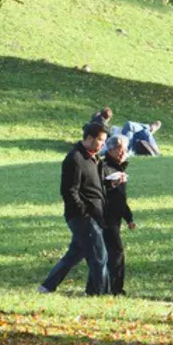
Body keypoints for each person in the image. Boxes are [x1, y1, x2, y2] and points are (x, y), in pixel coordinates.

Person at [39, 121, 109, 295]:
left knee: (73, 255)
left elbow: (94, 186)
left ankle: (47, 287)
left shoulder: (95, 159)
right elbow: (69, 191)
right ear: (90, 138)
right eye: (101, 140)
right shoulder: (75, 158)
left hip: (94, 215)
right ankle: (101, 294)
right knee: (99, 256)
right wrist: (84, 212)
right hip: (82, 217)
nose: (103, 144)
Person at [98, 134, 136, 294]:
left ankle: (102, 287)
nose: (122, 152)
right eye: (118, 149)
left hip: (116, 217)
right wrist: (111, 184)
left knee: (103, 253)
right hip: (105, 216)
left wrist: (129, 218)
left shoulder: (119, 169)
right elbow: (97, 190)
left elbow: (121, 198)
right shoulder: (104, 166)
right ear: (110, 149)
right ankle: (114, 289)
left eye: (124, 149)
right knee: (115, 252)